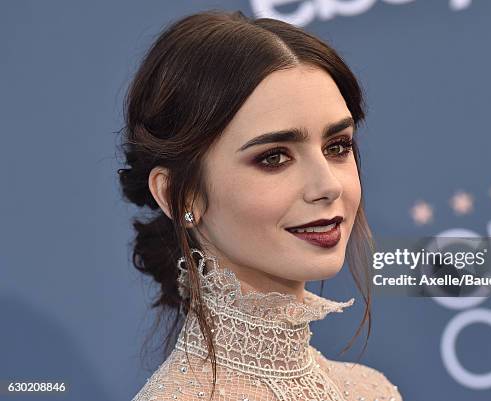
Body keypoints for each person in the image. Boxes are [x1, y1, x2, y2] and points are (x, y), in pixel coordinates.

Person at [118, 9, 403, 401]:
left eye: (337, 147)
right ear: (180, 196)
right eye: (274, 158)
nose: (327, 186)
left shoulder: (371, 390)